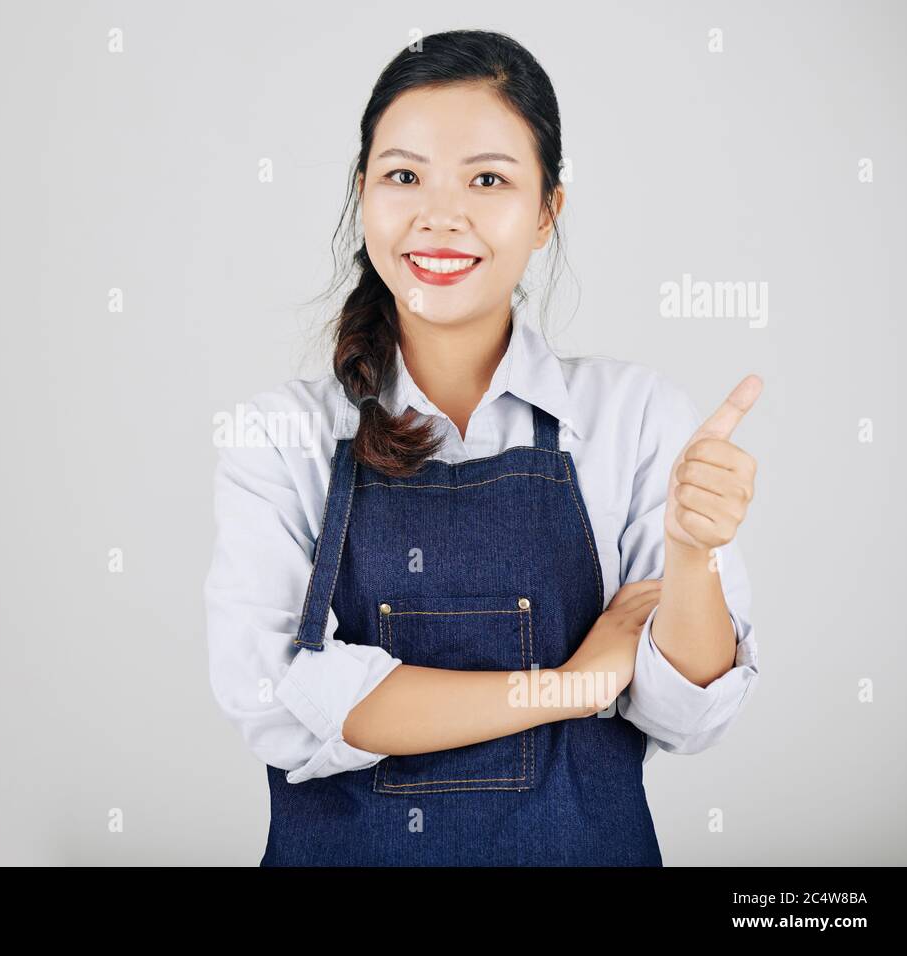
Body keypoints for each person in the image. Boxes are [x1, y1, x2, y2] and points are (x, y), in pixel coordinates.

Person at [203, 29, 761, 866]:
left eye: (488, 179)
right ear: (363, 197)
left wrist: (691, 558)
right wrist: (577, 682)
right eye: (403, 176)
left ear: (546, 214)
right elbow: (276, 701)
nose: (441, 215)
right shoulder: (281, 438)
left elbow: (688, 714)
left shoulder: (635, 416)